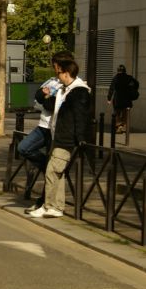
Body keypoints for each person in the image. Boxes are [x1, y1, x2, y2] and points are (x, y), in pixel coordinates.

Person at [30, 52, 90, 219]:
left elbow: (80, 116)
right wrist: (43, 95)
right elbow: (50, 104)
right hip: (58, 137)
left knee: (52, 171)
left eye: (58, 72)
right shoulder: (66, 90)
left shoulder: (79, 92)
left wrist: (80, 138)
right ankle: (54, 206)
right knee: (58, 173)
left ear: (66, 72)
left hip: (67, 139)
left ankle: (51, 206)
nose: (57, 76)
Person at [20, 76, 60, 210]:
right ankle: (44, 165)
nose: (56, 71)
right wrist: (44, 96)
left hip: (54, 128)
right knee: (23, 147)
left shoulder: (70, 85)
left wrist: (46, 97)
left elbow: (51, 106)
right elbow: (38, 96)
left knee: (51, 171)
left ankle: (43, 202)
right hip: (43, 126)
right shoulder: (51, 80)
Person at [107, 64, 138, 133]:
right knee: (125, 113)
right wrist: (132, 87)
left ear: (118, 71)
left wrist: (109, 98)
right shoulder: (129, 77)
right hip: (127, 99)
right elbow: (136, 83)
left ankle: (119, 127)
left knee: (117, 113)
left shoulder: (116, 78)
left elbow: (111, 88)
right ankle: (124, 126)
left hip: (118, 99)